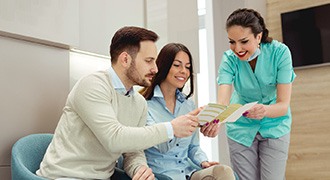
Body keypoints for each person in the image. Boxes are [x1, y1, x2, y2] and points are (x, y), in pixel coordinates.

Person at [36, 26, 201, 180]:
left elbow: (133, 151)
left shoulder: (138, 103)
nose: (155, 69)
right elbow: (114, 138)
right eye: (149, 61)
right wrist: (171, 128)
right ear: (125, 59)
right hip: (63, 176)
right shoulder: (93, 86)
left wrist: (140, 169)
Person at [201, 8, 296, 180]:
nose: (237, 49)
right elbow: (223, 101)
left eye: (244, 41)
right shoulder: (229, 59)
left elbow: (283, 105)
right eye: (232, 42)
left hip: (275, 125)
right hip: (240, 128)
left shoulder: (280, 53)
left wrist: (264, 111)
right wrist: (216, 120)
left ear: (258, 36)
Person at [140, 43, 235, 180]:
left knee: (223, 172)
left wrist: (203, 162)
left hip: (187, 173)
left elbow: (193, 147)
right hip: (161, 175)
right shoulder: (145, 105)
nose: (184, 71)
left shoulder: (188, 105)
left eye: (187, 67)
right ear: (163, 66)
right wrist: (185, 121)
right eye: (177, 65)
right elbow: (162, 146)